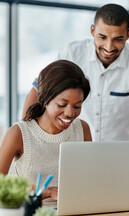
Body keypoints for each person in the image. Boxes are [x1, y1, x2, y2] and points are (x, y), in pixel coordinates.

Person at [22, 3, 129, 142]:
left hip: (124, 154)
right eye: (102, 37)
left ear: (128, 34)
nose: (109, 47)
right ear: (92, 30)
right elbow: (38, 91)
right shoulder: (71, 53)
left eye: (118, 39)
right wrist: (26, 140)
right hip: (75, 150)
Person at [0, 60, 91, 200]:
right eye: (62, 105)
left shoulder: (82, 129)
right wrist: (46, 192)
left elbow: (88, 181)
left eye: (77, 106)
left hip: (75, 213)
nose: (70, 113)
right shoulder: (18, 133)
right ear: (45, 100)